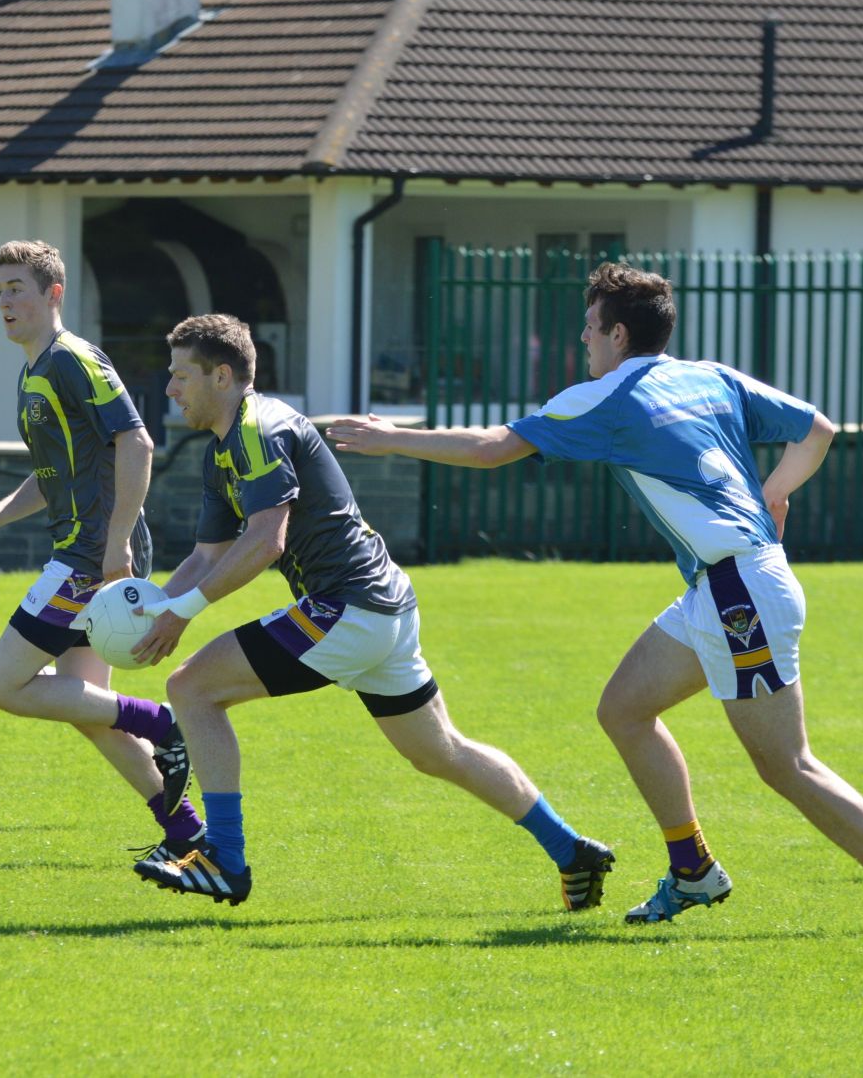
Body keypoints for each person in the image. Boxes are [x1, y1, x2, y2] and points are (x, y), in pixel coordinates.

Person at [327, 261, 863, 934]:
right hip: (731, 583)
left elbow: (493, 446)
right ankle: (693, 870)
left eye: (590, 330)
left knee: (786, 765)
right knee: (624, 709)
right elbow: (819, 429)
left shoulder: (609, 396)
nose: (584, 344)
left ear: (618, 334)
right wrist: (776, 493)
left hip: (738, 590)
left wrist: (389, 436)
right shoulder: (708, 376)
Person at [129, 313, 613, 909]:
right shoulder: (222, 451)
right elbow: (207, 556)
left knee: (194, 688)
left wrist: (182, 613)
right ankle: (572, 850)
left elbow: (265, 542)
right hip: (382, 606)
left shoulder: (257, 429)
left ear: (222, 376)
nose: (170, 388)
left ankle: (225, 859)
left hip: (347, 607)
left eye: (181, 375)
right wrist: (149, 608)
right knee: (439, 751)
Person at [0, 240, 202, 865]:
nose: (6, 302)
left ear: (52, 295)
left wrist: (117, 541)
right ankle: (186, 832)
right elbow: (55, 474)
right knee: (90, 711)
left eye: (18, 288)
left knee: (2, 683)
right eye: (0, 291)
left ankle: (160, 722)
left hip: (91, 557)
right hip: (87, 550)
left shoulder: (73, 360)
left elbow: (137, 442)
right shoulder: (34, 369)